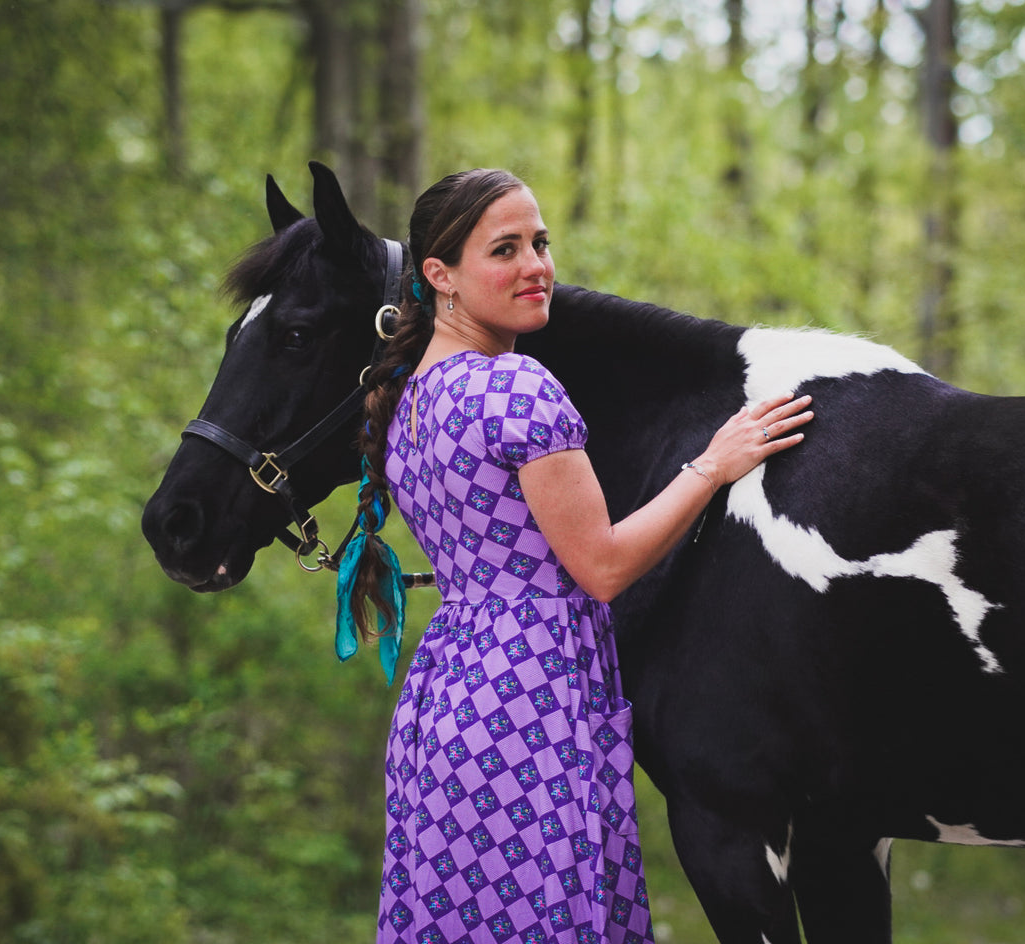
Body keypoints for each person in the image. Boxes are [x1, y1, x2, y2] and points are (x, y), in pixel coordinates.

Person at [348, 169, 813, 944]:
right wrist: (713, 462)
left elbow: (494, 545)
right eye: (504, 249)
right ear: (440, 276)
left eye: (540, 242)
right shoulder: (517, 388)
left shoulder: (404, 397)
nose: (536, 266)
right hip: (530, 696)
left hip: (444, 700)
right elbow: (599, 566)